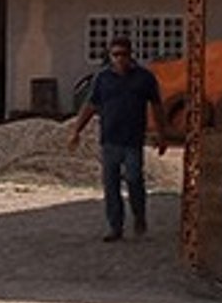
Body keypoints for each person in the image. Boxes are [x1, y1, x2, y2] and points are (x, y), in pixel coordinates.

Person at [66, 35, 168, 240]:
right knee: (111, 185)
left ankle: (139, 215)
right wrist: (76, 130)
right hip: (110, 139)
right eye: (115, 55)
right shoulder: (102, 79)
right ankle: (115, 227)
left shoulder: (144, 78)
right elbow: (90, 106)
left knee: (134, 179)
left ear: (131, 55)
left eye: (124, 54)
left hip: (133, 139)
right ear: (110, 56)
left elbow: (156, 106)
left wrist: (161, 134)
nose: (120, 59)